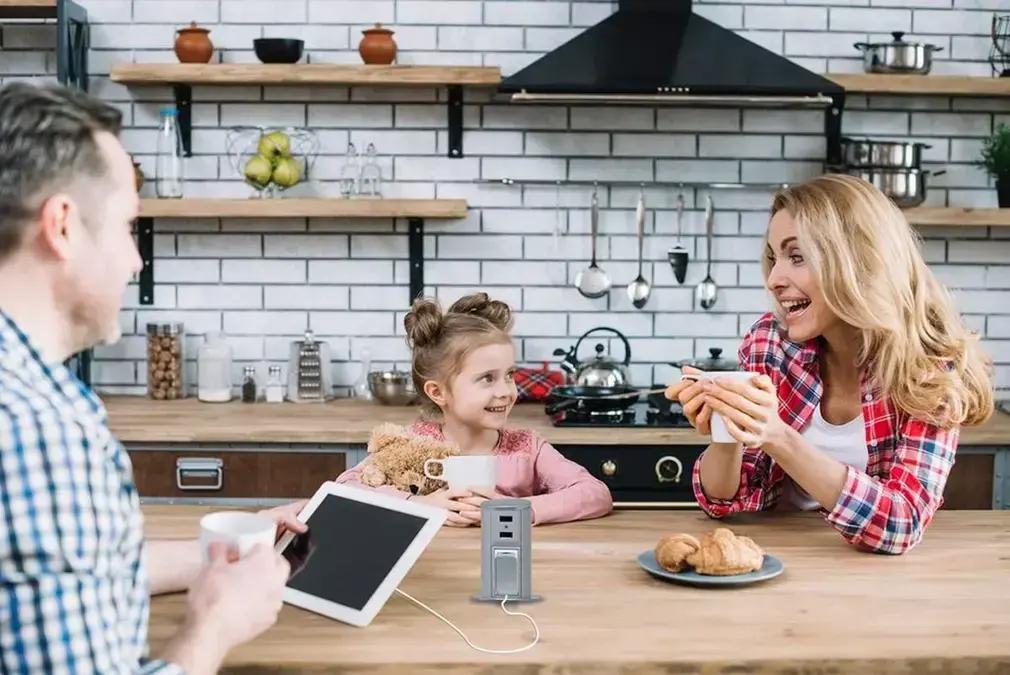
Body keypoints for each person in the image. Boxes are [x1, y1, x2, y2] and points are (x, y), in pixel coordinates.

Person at [0, 81, 304, 674]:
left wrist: (225, 557)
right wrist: (212, 629)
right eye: (127, 227)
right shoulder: (35, 430)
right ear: (62, 226)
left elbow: (57, 572)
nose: (135, 260)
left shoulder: (35, 393)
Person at [667, 174, 993, 555]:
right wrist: (727, 429)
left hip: (870, 579)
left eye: (797, 257)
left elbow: (901, 524)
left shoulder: (929, 369)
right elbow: (725, 501)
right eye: (774, 257)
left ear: (858, 261)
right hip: (774, 558)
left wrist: (777, 436)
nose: (774, 279)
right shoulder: (770, 343)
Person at [336, 292, 613, 526]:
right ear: (438, 392)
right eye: (487, 378)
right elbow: (346, 488)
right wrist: (419, 504)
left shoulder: (528, 449)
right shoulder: (411, 444)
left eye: (509, 375)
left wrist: (517, 509)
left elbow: (595, 494)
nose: (506, 391)